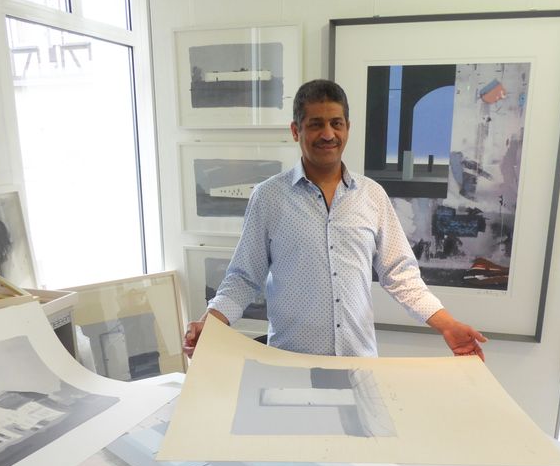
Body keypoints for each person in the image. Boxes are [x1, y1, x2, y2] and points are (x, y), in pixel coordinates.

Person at [183, 79, 486, 360]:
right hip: (291, 365)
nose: (328, 134)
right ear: (295, 130)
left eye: (335, 123)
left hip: (359, 364)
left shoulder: (372, 196)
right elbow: (244, 278)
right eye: (316, 124)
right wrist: (209, 323)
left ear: (347, 128)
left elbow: (401, 275)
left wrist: (447, 325)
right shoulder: (268, 197)